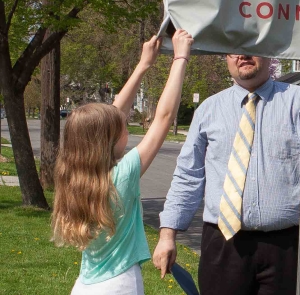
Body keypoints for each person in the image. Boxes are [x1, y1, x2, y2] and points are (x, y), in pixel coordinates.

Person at [153, 55, 300, 295]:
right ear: (226, 59)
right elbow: (188, 176)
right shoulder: (209, 109)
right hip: (223, 244)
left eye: (251, 48)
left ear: (268, 54)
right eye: (234, 50)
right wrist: (167, 235)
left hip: (286, 247)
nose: (243, 55)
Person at [51, 30, 194, 295]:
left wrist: (144, 65)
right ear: (105, 140)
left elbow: (111, 116)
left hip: (84, 286)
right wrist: (180, 58)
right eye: (120, 128)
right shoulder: (121, 177)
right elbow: (163, 118)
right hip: (120, 285)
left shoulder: (72, 175)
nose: (124, 127)